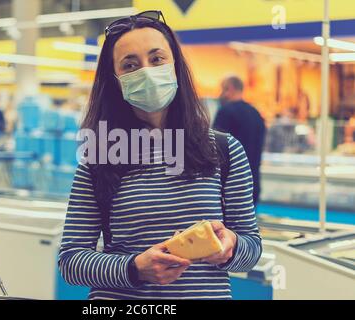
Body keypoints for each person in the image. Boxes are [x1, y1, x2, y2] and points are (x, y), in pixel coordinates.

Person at [58, 11, 261, 300]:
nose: (146, 71)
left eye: (156, 59)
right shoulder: (98, 158)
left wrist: (231, 247)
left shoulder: (225, 150)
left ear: (175, 65)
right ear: (115, 80)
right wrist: (134, 268)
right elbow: (70, 261)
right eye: (130, 65)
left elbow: (251, 248)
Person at [214, 76, 266, 205]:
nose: (221, 94)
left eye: (223, 90)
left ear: (230, 89)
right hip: (252, 183)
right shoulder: (256, 113)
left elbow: (214, 148)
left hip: (229, 186)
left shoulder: (225, 112)